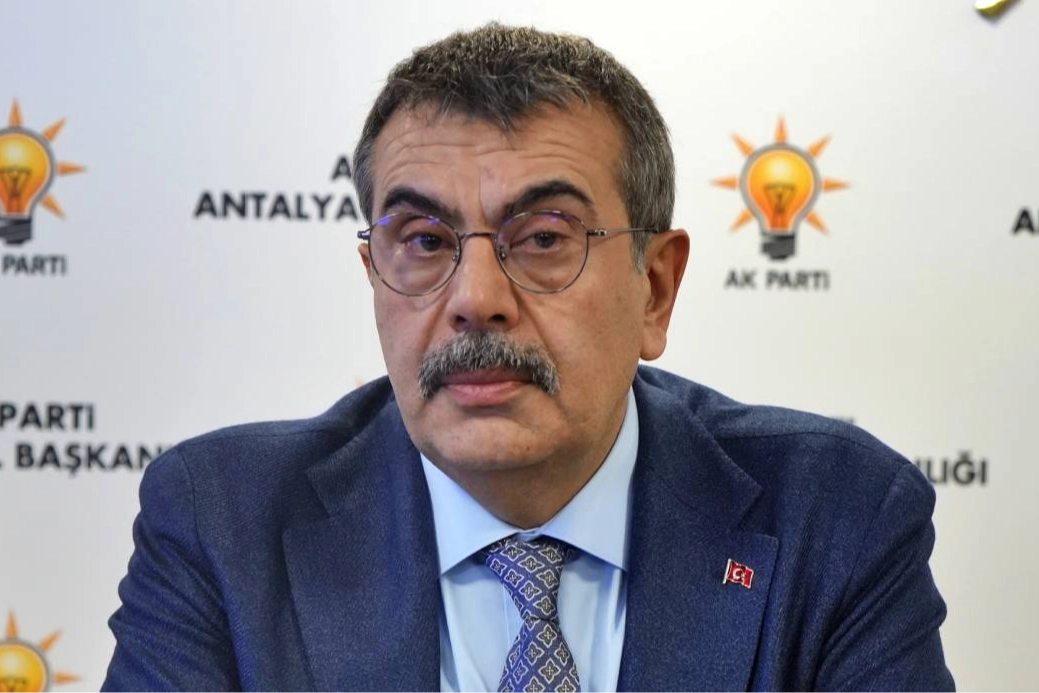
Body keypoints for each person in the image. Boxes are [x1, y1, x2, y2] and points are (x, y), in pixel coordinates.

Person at [103, 23, 954, 692]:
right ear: (374, 273)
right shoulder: (221, 522)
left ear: (654, 289)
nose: (476, 297)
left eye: (544, 237)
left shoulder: (836, 517)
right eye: (424, 240)